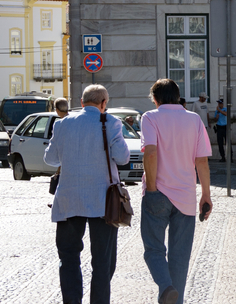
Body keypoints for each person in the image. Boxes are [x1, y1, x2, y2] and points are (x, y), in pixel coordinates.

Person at [43, 84, 129, 304]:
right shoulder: (111, 123)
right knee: (102, 261)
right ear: (104, 104)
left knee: (69, 256)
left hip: (69, 200)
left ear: (81, 103)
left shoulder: (62, 124)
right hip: (103, 202)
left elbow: (50, 159)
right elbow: (123, 158)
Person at [140, 79, 212, 304]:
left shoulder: (150, 117)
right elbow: (202, 161)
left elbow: (150, 154)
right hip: (186, 195)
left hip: (158, 192)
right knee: (180, 258)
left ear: (155, 99)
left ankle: (165, 287)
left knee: (153, 249)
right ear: (178, 96)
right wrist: (206, 195)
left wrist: (151, 189)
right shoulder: (194, 120)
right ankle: (174, 299)